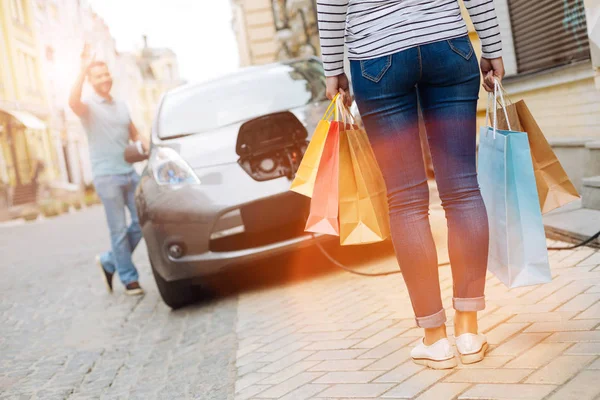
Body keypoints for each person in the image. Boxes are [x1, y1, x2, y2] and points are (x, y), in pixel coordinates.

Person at [317, 0, 505, 368]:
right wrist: (492, 47)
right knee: (463, 189)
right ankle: (468, 332)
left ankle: (435, 339)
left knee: (405, 201)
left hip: (377, 56)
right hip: (447, 43)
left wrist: (332, 69)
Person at [69, 47, 149, 296]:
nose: (104, 79)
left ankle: (109, 261)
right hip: (107, 177)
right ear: (91, 82)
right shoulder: (89, 107)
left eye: (106, 74)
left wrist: (147, 142)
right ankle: (129, 278)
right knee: (118, 229)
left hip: (129, 172)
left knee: (143, 221)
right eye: (98, 76)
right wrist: (82, 70)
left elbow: (133, 132)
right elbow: (72, 101)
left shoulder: (121, 105)